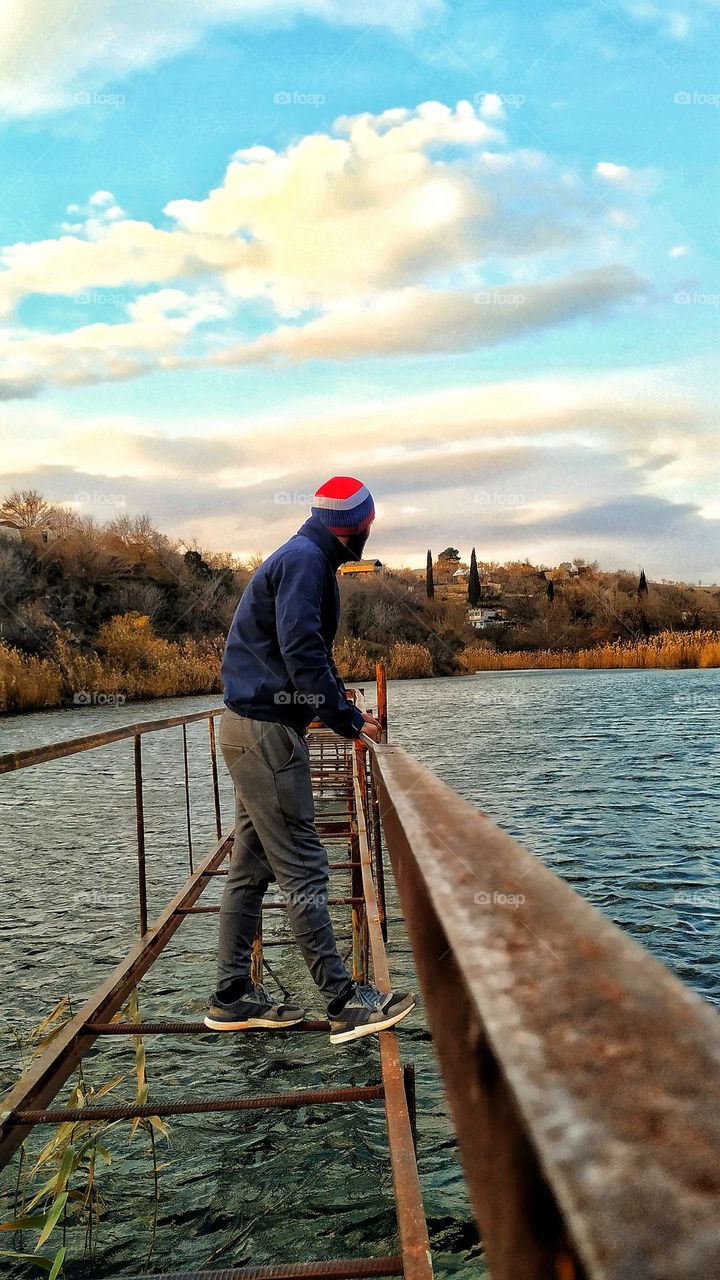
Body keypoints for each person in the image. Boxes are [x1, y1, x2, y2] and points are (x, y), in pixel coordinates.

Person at [205, 476, 416, 1044]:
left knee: (249, 871)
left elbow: (303, 654)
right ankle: (345, 1002)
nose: (370, 531)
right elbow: (302, 651)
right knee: (304, 865)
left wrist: (339, 704)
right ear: (356, 526)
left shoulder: (303, 557)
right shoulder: (305, 561)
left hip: (249, 730)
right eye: (368, 523)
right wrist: (347, 719)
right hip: (267, 736)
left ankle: (230, 996)